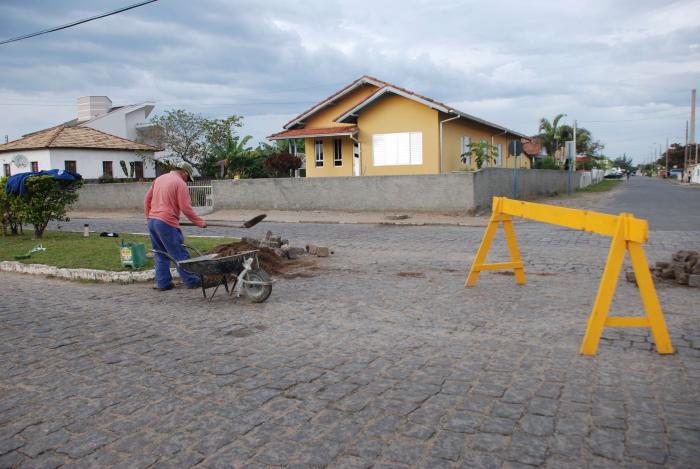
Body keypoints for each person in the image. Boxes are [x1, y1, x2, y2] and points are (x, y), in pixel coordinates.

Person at [144, 162, 207, 290]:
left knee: (161, 253)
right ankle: (192, 281)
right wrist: (199, 222)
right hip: (166, 222)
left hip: (152, 221)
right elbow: (186, 208)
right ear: (184, 172)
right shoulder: (180, 183)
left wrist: (149, 217)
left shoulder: (159, 179)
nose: (187, 180)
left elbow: (147, 200)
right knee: (179, 253)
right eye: (188, 177)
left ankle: (163, 283)